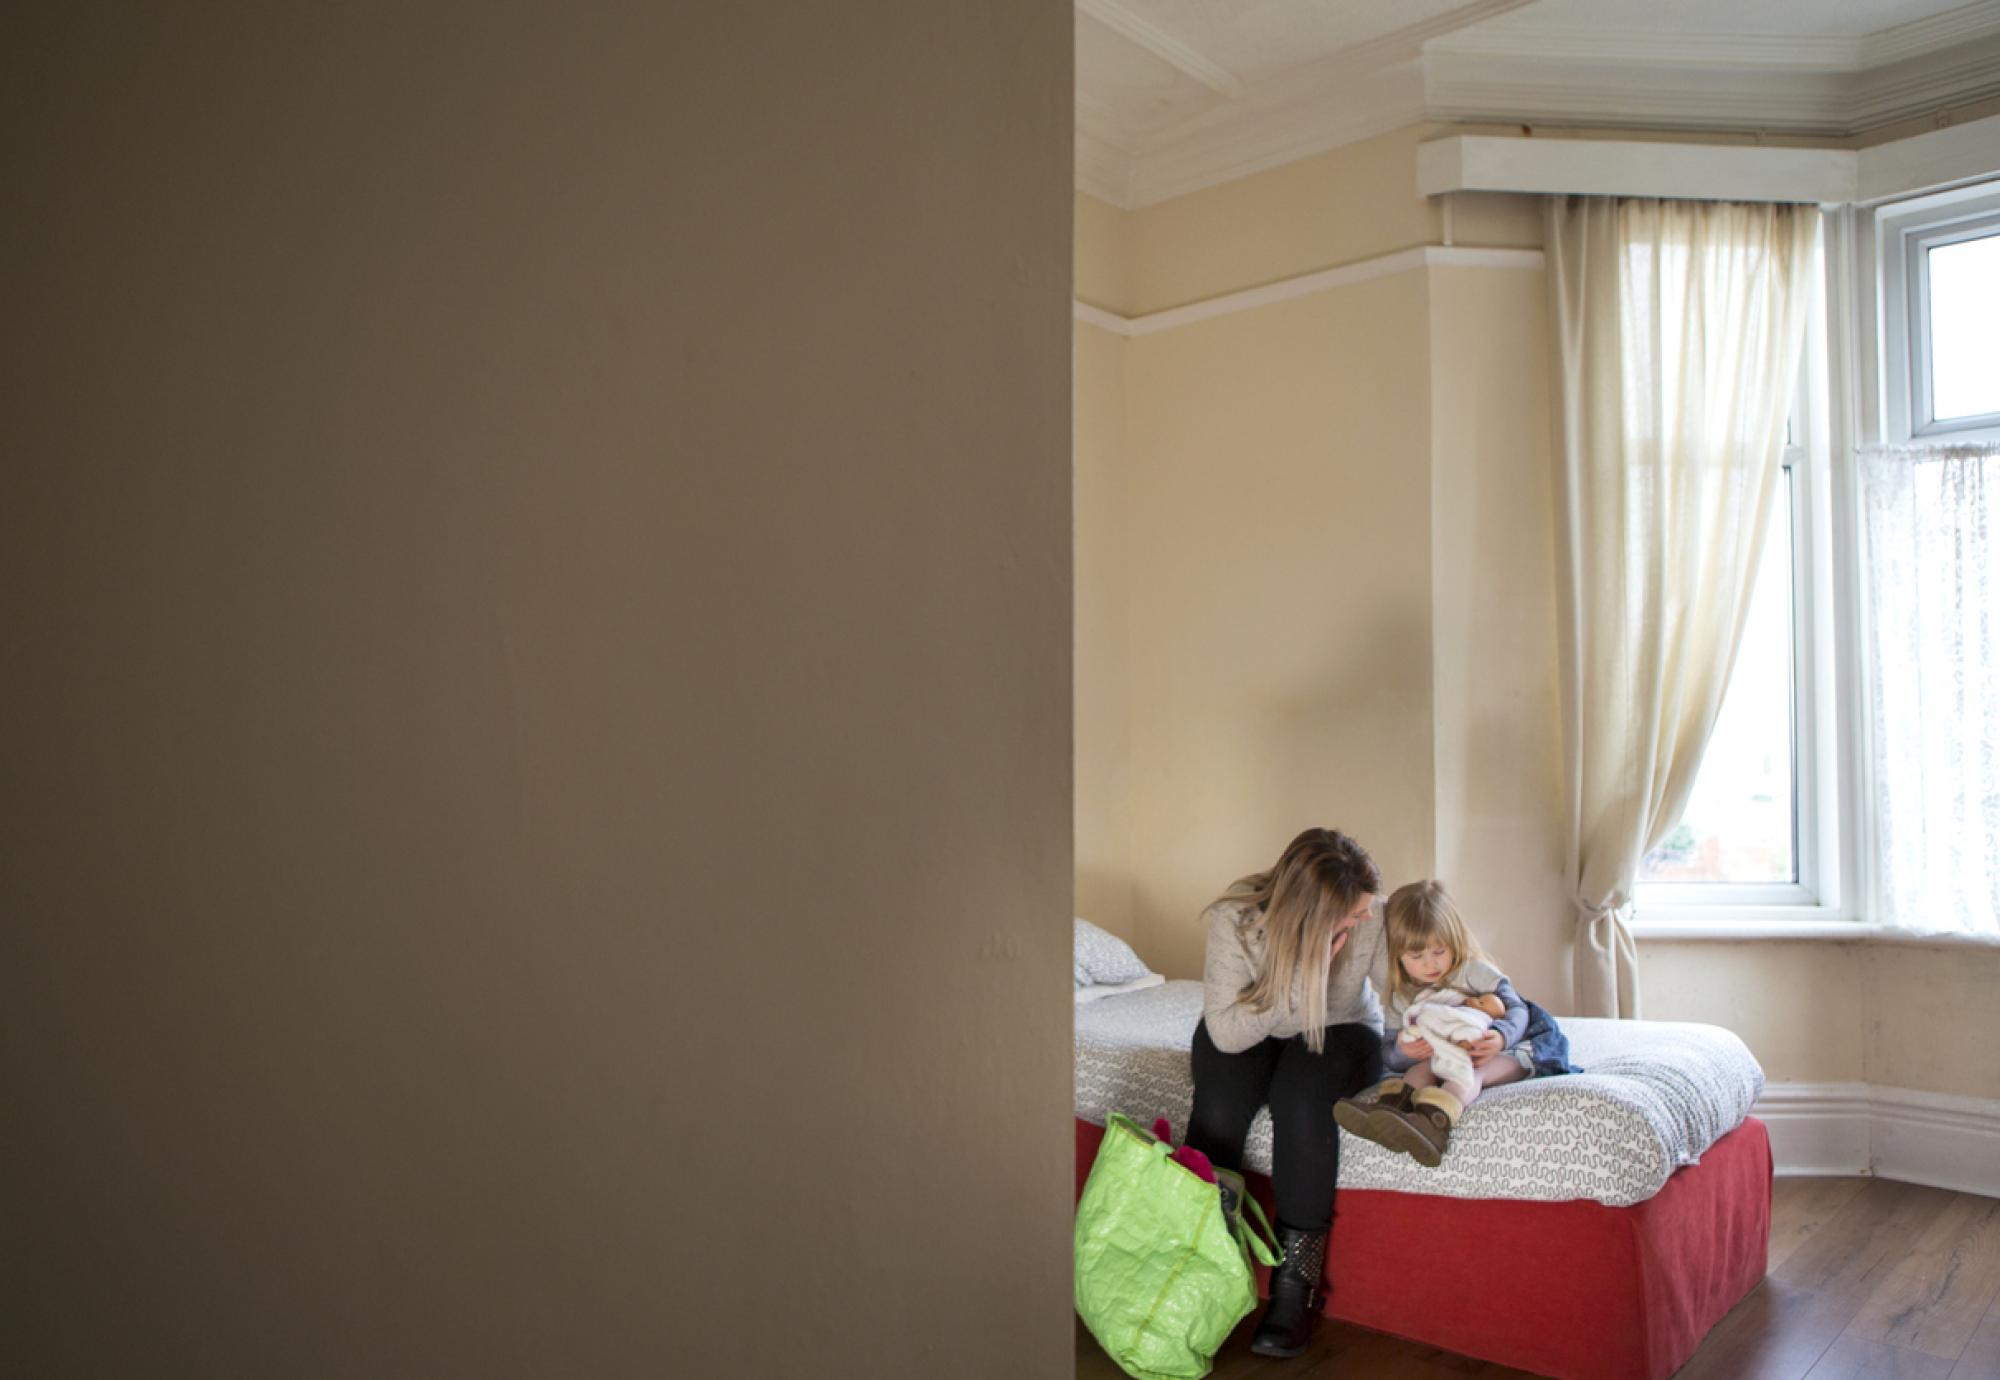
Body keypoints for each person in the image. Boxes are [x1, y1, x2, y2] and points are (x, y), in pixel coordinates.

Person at [1185, 827, 1388, 1359]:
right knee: (1220, 1106)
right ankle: (1200, 1266)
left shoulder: (1374, 917)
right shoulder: (1237, 917)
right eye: (1352, 913)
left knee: (1299, 1097)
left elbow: (1418, 984)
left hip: (1343, 1029)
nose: (1365, 918)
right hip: (1253, 1024)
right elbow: (1228, 1030)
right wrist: (1301, 971)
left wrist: (1482, 1025)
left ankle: (1295, 1290)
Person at [1334, 879, 1572, 1167]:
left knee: (1473, 1068)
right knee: (1423, 1068)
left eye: (1439, 952)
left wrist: (1500, 1037)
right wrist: (1403, 1053)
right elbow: (1390, 1054)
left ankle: (1437, 1121)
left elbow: (1517, 1009)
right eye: (1417, 956)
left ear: (1454, 941)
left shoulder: (1472, 971)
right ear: (1396, 955)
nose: (1430, 964)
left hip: (1514, 1047)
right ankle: (1392, 1109)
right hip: (1452, 1049)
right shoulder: (1403, 997)